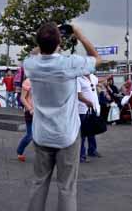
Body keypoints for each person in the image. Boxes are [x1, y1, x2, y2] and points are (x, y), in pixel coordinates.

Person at [23, 23, 100, 211]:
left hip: (41, 134)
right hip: (67, 135)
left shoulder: (30, 64)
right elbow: (96, 58)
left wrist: (49, 36)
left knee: (38, 184)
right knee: (66, 187)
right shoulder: (69, 63)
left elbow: (37, 51)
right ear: (59, 42)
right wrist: (79, 34)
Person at [77, 73, 102, 163]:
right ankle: (81, 155)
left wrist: (106, 79)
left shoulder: (92, 76)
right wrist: (87, 102)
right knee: (83, 134)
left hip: (93, 108)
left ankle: (92, 150)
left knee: (92, 131)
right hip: (82, 110)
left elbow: (98, 81)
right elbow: (78, 95)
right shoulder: (78, 78)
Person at [17, 74, 34, 162]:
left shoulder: (43, 81)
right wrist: (30, 109)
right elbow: (22, 98)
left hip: (42, 113)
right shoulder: (28, 82)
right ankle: (20, 151)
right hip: (30, 112)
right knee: (30, 135)